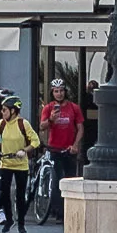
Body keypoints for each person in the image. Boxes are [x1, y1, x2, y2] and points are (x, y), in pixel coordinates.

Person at [0, 93, 40, 232]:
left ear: (13, 111)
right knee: (4, 193)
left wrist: (25, 150)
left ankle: (21, 224)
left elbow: (36, 141)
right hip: (6, 163)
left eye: (4, 110)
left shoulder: (23, 124)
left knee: (20, 195)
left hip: (21, 164)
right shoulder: (2, 124)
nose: (2, 113)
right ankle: (9, 220)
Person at [38, 79, 83, 214]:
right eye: (56, 91)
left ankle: (70, 209)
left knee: (70, 180)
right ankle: (57, 210)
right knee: (57, 179)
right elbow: (42, 127)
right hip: (54, 149)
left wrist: (75, 145)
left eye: (61, 91)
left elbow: (80, 128)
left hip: (69, 149)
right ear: (52, 93)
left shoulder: (74, 108)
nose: (59, 94)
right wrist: (51, 119)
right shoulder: (48, 108)